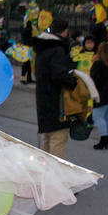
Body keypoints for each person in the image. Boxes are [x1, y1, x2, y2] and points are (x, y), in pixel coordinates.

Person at [32, 17, 77, 157]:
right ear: (65, 32)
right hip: (56, 101)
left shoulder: (42, 48)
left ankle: (45, 172)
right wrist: (72, 81)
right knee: (58, 139)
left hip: (43, 98)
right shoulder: (57, 49)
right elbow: (59, 75)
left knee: (48, 138)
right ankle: (55, 175)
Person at [88, 41, 108, 150]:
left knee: (98, 116)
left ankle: (103, 138)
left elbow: (94, 79)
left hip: (101, 94)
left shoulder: (98, 64)